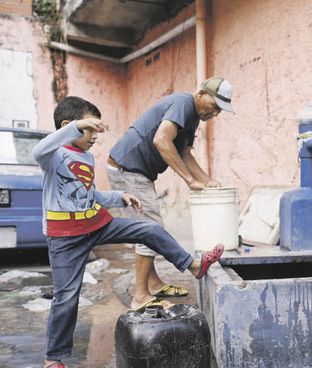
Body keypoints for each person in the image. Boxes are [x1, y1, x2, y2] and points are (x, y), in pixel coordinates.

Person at [33, 96, 224, 368]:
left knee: (148, 228)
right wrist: (77, 127)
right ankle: (53, 359)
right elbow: (37, 150)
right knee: (66, 297)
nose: (94, 138)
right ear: (69, 126)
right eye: (89, 130)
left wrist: (119, 196)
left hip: (97, 225)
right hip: (65, 238)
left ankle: (192, 264)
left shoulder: (85, 156)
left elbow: (89, 195)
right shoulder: (52, 155)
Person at [107, 77, 234, 310]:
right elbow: (162, 140)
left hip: (135, 170)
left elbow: (184, 152)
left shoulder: (193, 117)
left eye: (219, 111)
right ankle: (141, 296)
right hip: (128, 169)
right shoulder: (184, 103)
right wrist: (188, 180)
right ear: (201, 94)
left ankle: (153, 283)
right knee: (150, 229)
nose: (215, 114)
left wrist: (207, 181)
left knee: (148, 228)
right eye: (214, 107)